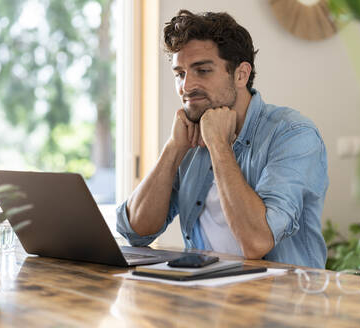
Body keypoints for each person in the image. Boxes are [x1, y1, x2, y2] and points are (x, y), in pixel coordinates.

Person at [116, 10, 328, 268]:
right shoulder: (190, 138)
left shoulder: (293, 134)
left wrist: (219, 145)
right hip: (201, 296)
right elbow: (135, 232)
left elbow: (256, 242)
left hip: (280, 302)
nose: (186, 86)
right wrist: (173, 149)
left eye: (202, 70)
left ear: (241, 74)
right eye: (180, 74)